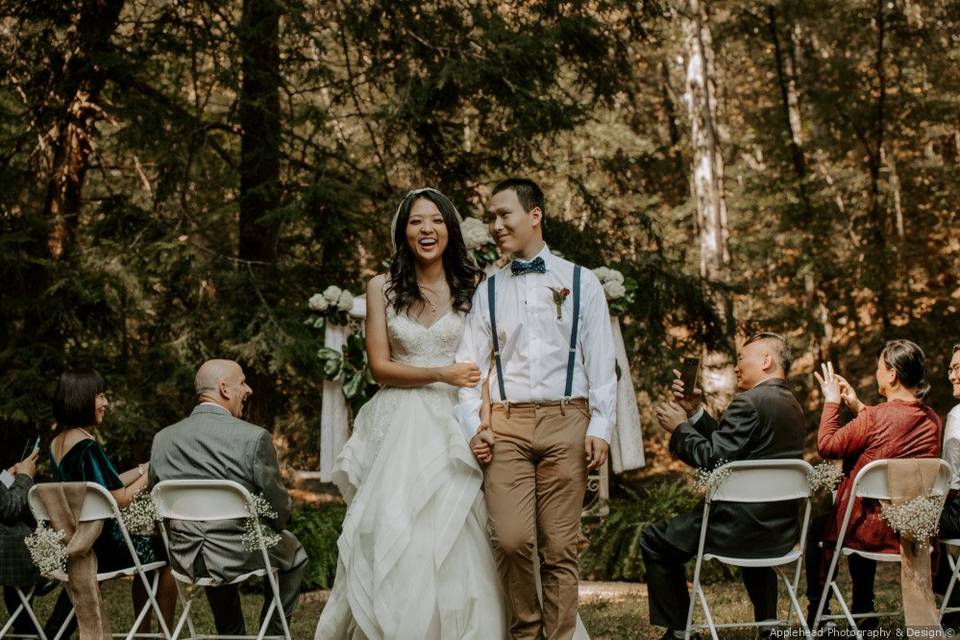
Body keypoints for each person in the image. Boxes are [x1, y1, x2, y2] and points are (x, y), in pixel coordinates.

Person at [315, 187, 506, 639]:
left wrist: (484, 420)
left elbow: (492, 364)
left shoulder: (476, 285)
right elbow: (381, 368)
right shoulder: (380, 286)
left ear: (450, 229)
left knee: (461, 529)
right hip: (400, 421)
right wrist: (442, 372)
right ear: (404, 230)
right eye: (417, 221)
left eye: (436, 221)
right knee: (396, 527)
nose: (427, 229)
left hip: (457, 418)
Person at [455, 178, 616, 640]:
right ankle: (526, 633)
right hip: (505, 426)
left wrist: (601, 426)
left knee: (561, 546)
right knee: (511, 539)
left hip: (568, 419)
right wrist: (474, 426)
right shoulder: (487, 290)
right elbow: (468, 369)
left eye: (504, 214)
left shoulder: (580, 282)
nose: (496, 225)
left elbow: (601, 363)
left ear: (535, 215)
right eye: (491, 217)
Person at [648, 332, 806, 640]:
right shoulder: (792, 405)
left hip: (735, 528)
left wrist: (680, 427)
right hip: (777, 531)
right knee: (755, 550)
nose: (736, 367)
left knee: (655, 540)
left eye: (740, 359)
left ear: (765, 360)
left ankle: (680, 632)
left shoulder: (748, 402)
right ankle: (768, 626)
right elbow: (730, 445)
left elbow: (713, 458)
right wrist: (695, 413)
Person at [150, 359, 307, 637]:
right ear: (224, 388)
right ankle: (272, 635)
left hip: (185, 556)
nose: (249, 389)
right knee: (295, 553)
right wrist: (273, 522)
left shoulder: (163, 439)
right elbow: (279, 510)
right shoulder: (254, 438)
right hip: (238, 552)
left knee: (209, 546)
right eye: (243, 382)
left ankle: (231, 633)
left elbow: (157, 505)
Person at [810, 340, 941, 628]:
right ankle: (863, 609)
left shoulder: (875, 417)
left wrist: (831, 401)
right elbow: (892, 429)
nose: (877, 372)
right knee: (867, 510)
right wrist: (857, 405)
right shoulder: (932, 420)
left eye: (879, 368)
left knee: (823, 526)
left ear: (892, 374)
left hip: (871, 531)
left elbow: (828, 445)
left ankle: (818, 614)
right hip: (911, 528)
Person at [49, 369, 175, 635]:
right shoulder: (87, 446)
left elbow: (104, 484)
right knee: (166, 553)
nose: (105, 404)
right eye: (101, 396)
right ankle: (160, 632)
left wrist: (142, 468)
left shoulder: (58, 444)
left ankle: (141, 629)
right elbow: (121, 499)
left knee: (151, 548)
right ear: (82, 398)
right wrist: (154, 474)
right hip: (103, 547)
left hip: (75, 540)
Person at [1, 448, 76, 638]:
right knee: (80, 555)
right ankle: (52, 633)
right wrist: (25, 477)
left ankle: (26, 628)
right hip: (8, 551)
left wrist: (6, 480)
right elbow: (8, 508)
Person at [937, 343, 960, 623]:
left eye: (957, 369)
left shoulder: (957, 416)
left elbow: (952, 483)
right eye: (951, 369)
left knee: (915, 525)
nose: (952, 376)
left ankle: (952, 598)